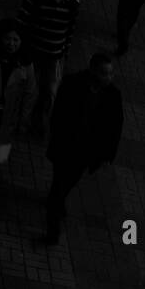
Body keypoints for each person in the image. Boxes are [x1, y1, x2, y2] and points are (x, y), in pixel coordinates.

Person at [42, 52, 123, 245]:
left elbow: (115, 127)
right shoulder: (72, 84)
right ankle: (53, 229)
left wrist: (107, 155)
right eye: (104, 73)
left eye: (111, 73)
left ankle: (58, 201)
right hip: (65, 146)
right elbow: (58, 115)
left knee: (68, 181)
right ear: (93, 70)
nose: (108, 78)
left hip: (85, 153)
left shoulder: (113, 95)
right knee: (59, 184)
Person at [17, 0, 79, 137]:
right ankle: (23, 123)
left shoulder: (72, 2)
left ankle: (40, 124)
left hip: (55, 56)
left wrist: (64, 52)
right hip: (34, 53)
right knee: (30, 90)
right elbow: (22, 21)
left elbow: (70, 30)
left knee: (49, 93)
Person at [0, 19, 36, 165]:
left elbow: (30, 94)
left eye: (16, 39)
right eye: (7, 38)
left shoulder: (26, 65)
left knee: (3, 147)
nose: (11, 43)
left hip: (9, 115)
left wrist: (23, 121)